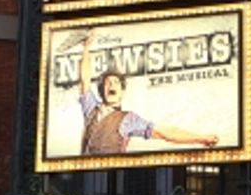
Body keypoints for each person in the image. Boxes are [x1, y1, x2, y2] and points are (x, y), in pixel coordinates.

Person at [77, 35, 220, 154]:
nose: (112, 85)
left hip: (109, 177)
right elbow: (84, 80)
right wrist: (86, 48)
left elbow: (164, 133)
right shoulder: (91, 108)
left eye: (116, 83)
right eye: (108, 83)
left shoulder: (128, 119)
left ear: (122, 92)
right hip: (82, 177)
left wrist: (201, 139)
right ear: (102, 89)